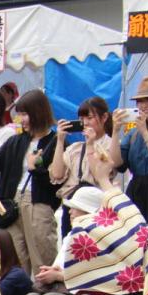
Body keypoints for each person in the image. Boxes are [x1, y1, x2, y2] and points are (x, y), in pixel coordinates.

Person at [0, 89, 61, 274]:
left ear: (38, 112)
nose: (21, 119)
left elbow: (56, 180)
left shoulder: (56, 141)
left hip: (39, 203)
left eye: (25, 114)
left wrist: (35, 168)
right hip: (12, 204)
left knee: (42, 258)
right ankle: (20, 292)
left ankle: (43, 292)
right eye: (20, 114)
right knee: (15, 260)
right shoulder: (16, 141)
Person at [111, 76, 148, 251]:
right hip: (136, 190)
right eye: (140, 101)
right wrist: (115, 131)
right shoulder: (133, 132)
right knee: (134, 244)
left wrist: (145, 132)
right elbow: (117, 163)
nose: (144, 105)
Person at [50, 96, 116, 236]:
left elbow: (99, 175)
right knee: (70, 243)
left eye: (90, 118)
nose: (85, 123)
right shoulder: (75, 148)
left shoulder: (110, 145)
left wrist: (91, 144)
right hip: (72, 204)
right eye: (81, 119)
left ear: (104, 117)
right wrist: (60, 140)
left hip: (95, 206)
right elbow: (57, 174)